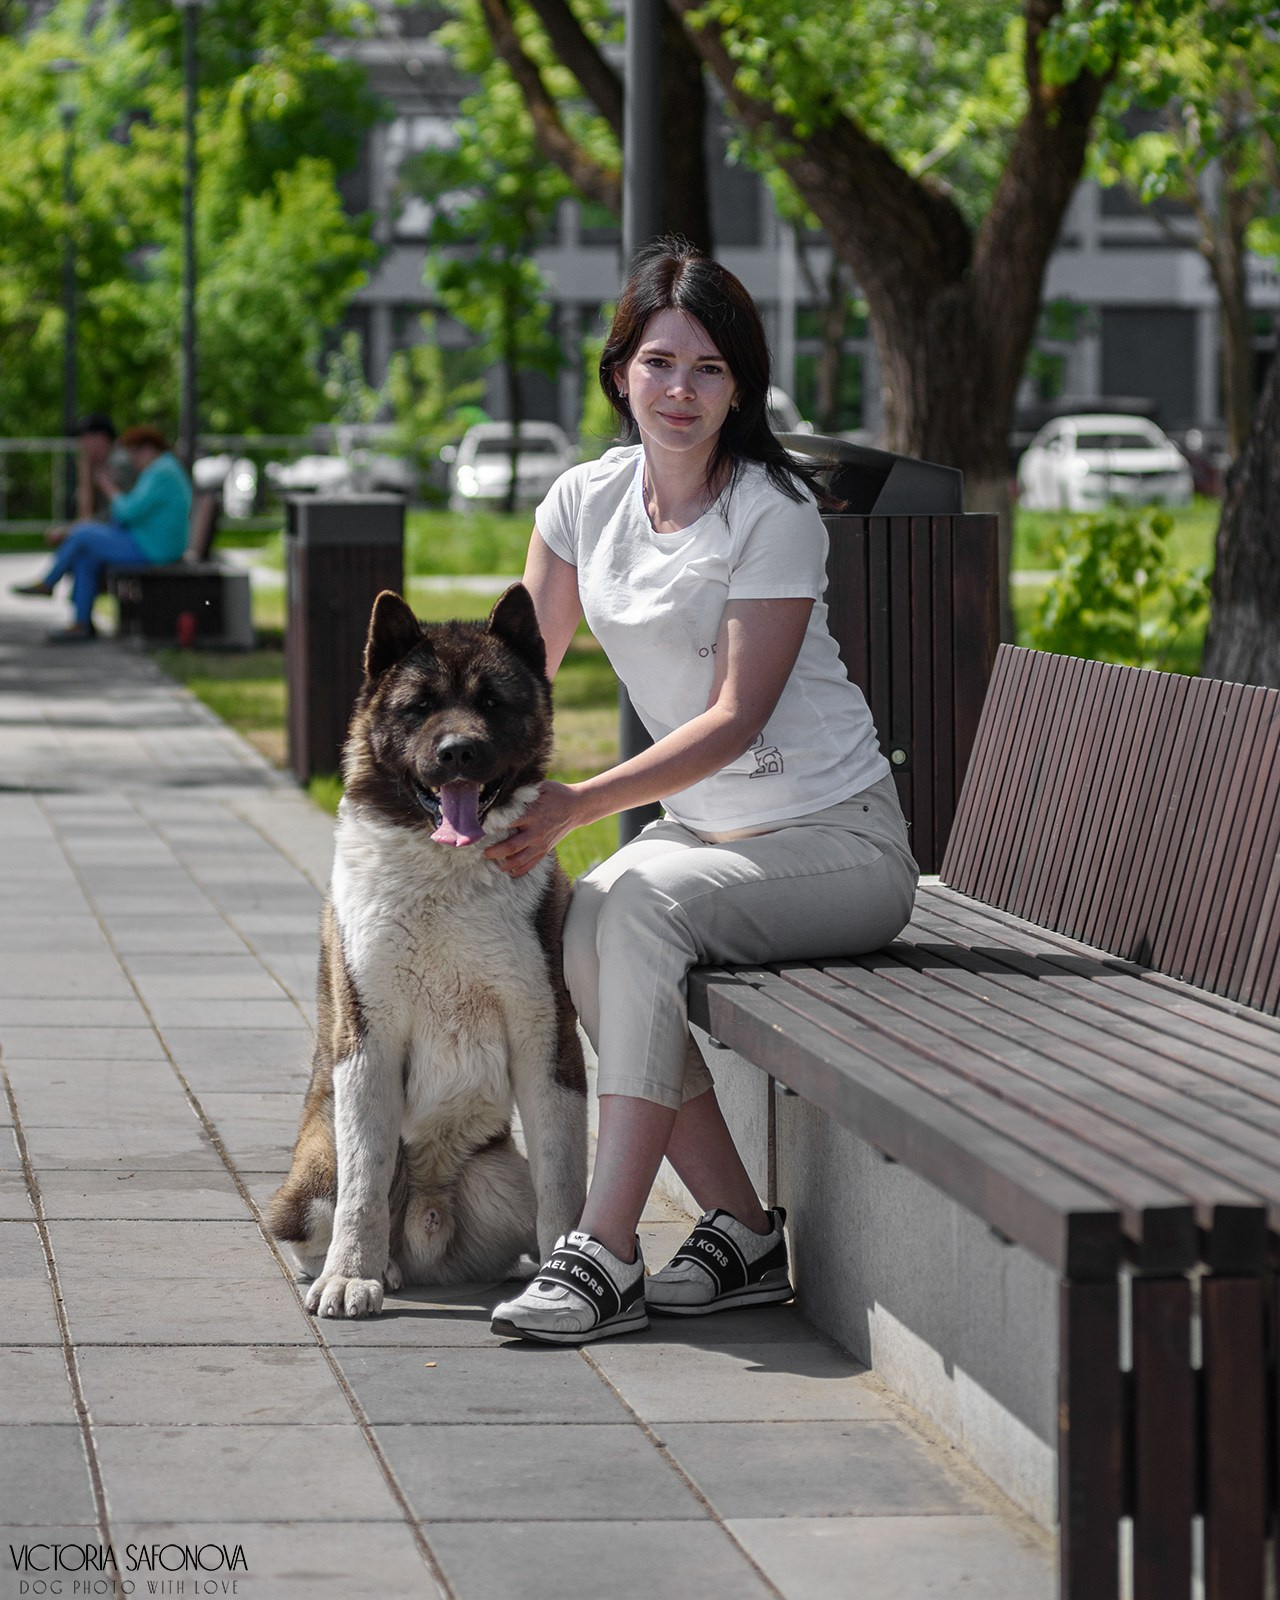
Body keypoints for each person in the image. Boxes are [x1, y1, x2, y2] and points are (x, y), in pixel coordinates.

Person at [487, 239, 918, 1345]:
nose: (681, 390)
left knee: (634, 907)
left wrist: (579, 803)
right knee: (589, 921)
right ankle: (742, 1230)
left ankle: (604, 1248)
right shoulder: (582, 503)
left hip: (838, 842)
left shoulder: (771, 510)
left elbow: (735, 718)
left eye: (709, 369)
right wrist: (455, 784)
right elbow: (520, 676)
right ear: (619, 372)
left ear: (740, 387)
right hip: (710, 834)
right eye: (660, 362)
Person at [12, 424, 192, 642]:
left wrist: (108, 487)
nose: (133, 461)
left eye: (134, 454)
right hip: (152, 542)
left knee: (83, 534)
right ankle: (81, 624)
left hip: (155, 548)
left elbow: (127, 512)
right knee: (86, 556)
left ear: (146, 449)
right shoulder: (165, 468)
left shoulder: (160, 472)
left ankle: (49, 582)